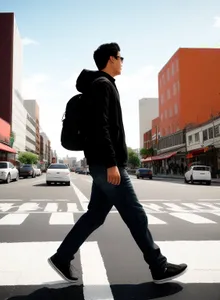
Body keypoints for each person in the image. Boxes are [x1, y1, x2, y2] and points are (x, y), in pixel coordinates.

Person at [48, 43, 187, 284]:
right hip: (107, 165)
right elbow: (101, 128)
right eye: (121, 57)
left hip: (102, 163)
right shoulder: (102, 86)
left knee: (95, 216)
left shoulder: (101, 86)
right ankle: (158, 267)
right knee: (135, 215)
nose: (123, 62)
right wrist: (112, 164)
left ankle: (62, 257)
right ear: (111, 59)